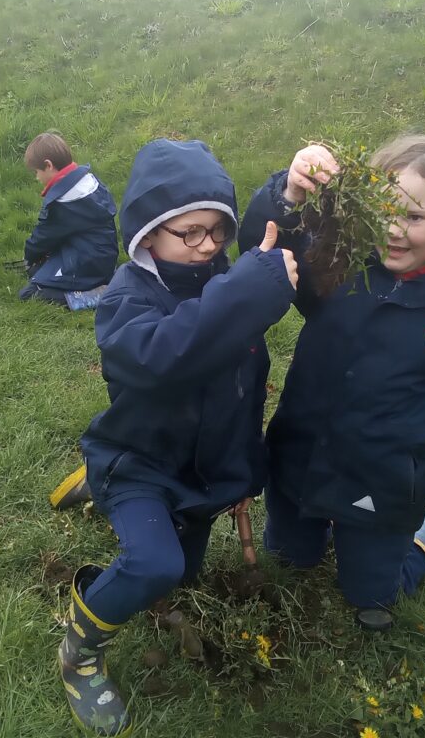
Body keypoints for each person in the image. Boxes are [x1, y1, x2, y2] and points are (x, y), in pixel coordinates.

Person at [238, 135, 425, 630]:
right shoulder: (339, 267)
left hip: (379, 477)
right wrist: (289, 193)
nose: (393, 230)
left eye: (415, 217)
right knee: (290, 559)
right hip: (303, 457)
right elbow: (265, 252)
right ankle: (316, 526)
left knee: (374, 593)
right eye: (382, 211)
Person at [58, 138, 298, 736]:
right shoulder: (125, 299)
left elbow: (244, 393)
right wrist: (246, 292)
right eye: (189, 233)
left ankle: (95, 486)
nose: (208, 246)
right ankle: (80, 653)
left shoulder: (223, 282)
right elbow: (164, 356)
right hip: (140, 460)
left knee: (186, 573)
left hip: (201, 469)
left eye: (217, 230)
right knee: (155, 566)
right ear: (146, 235)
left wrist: (291, 194)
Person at [19, 133, 118, 308]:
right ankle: (103, 281)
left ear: (48, 166)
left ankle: (93, 296)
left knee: (29, 293)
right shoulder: (89, 181)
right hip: (104, 257)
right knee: (39, 269)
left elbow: (42, 238)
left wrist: (29, 257)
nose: (37, 178)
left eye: (37, 172)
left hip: (87, 263)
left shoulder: (63, 201)